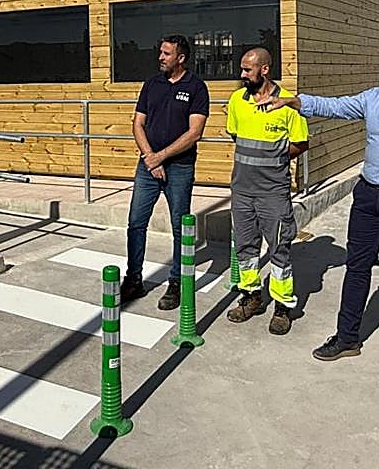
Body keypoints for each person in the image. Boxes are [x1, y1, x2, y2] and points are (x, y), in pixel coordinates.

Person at [256, 42, 379, 374]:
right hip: (368, 197)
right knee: (357, 268)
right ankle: (347, 338)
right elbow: (335, 106)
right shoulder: (373, 98)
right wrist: (294, 101)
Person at [224, 47, 309, 335]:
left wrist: (275, 158)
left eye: (247, 70)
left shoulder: (285, 104)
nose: (242, 74)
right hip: (242, 192)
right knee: (246, 249)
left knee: (279, 250)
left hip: (273, 193)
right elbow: (236, 134)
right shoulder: (237, 100)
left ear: (264, 70)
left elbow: (301, 142)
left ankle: (283, 307)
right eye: (242, 69)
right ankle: (251, 297)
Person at [121, 34, 210, 309]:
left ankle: (176, 282)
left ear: (181, 58)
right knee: (136, 222)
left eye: (166, 53)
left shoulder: (196, 87)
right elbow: (138, 124)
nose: (160, 57)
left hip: (180, 167)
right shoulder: (152, 84)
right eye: (160, 52)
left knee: (179, 227)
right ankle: (133, 279)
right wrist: (151, 158)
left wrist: (161, 157)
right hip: (148, 166)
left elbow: (194, 132)